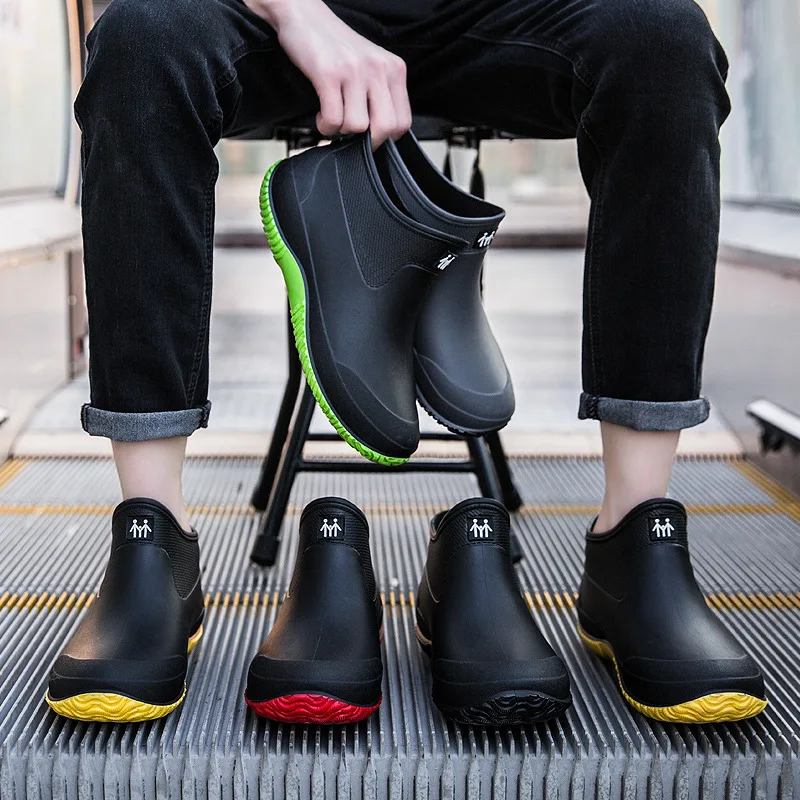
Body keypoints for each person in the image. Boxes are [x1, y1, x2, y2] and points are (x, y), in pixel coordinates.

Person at [44, 0, 767, 725]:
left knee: (666, 40)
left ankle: (634, 545)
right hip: (282, 19)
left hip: (490, 21)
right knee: (140, 39)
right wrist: (297, 14)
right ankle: (153, 544)